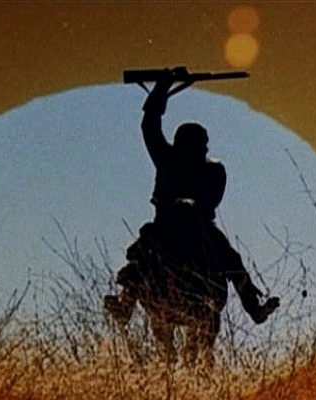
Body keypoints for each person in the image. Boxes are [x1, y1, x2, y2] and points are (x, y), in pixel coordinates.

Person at [105, 69, 279, 325]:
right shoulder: (167, 158)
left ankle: (254, 308)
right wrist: (163, 86)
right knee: (141, 257)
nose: (199, 149)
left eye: (200, 145)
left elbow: (213, 199)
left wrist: (192, 207)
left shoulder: (212, 168)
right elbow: (149, 124)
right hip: (166, 225)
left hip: (200, 226)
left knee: (231, 258)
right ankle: (125, 306)